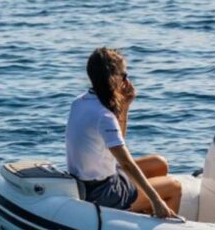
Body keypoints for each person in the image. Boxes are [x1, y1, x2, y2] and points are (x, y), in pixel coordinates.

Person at [66, 47, 181, 218]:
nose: (127, 80)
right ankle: (157, 228)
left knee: (159, 163)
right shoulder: (103, 115)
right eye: (124, 75)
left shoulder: (80, 102)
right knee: (174, 187)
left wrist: (125, 107)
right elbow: (126, 162)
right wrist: (157, 201)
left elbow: (116, 145)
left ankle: (141, 213)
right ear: (113, 78)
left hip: (92, 180)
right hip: (102, 192)